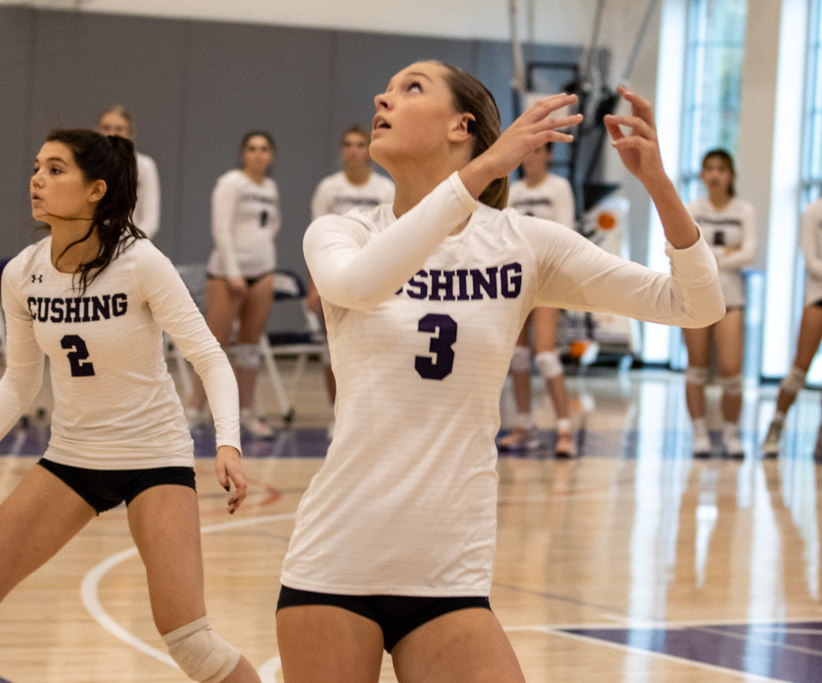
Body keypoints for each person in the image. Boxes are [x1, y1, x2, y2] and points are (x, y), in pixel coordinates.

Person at [275, 60, 724, 682]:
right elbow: (358, 285)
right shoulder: (341, 231)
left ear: (461, 126)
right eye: (388, 87)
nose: (382, 96)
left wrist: (660, 186)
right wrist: (481, 173)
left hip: (449, 575)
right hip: (335, 564)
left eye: (410, 88)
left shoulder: (525, 243)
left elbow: (695, 305)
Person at [0, 130, 259, 683]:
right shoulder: (22, 273)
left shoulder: (140, 262)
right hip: (72, 458)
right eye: (36, 167)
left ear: (95, 190)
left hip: (154, 458)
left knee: (192, 644)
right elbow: (20, 381)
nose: (37, 180)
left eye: (55, 169)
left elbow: (210, 358)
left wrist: (228, 443)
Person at [186, 131, 280, 439]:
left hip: (263, 271)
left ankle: (246, 412)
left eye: (263, 149)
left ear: (271, 156)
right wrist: (234, 272)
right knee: (216, 343)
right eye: (251, 148)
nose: (258, 154)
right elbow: (221, 228)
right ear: (243, 154)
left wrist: (262, 257)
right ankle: (195, 410)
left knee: (251, 346)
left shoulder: (270, 187)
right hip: (227, 275)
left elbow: (272, 224)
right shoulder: (230, 183)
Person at [308, 124, 395, 437]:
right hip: (337, 274)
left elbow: (396, 235)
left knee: (378, 346)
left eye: (360, 144)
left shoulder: (385, 188)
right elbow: (316, 239)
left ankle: (373, 415)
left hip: (377, 276)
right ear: (342, 150)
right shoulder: (328, 188)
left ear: (369, 150)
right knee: (333, 348)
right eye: (348, 144)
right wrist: (314, 285)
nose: (354, 150)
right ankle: (339, 414)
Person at [499, 142, 579, 457]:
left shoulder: (558, 187)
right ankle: (524, 425)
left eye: (537, 151)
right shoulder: (514, 190)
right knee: (518, 355)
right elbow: (502, 232)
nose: (530, 157)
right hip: (517, 278)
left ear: (548, 155)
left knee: (545, 355)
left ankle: (565, 429)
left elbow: (565, 233)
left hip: (547, 278)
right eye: (527, 151)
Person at [683, 149, 756, 458]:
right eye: (709, 168)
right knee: (696, 367)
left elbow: (750, 253)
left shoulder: (744, 210)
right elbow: (681, 248)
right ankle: (700, 434)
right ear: (702, 174)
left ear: (731, 175)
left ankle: (730, 434)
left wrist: (708, 256)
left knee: (731, 370)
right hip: (696, 296)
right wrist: (728, 253)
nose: (715, 175)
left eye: (721, 169)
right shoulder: (692, 209)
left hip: (731, 299)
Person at [762, 196, 822, 457]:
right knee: (799, 369)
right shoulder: (814, 211)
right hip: (817, 296)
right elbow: (811, 261)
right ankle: (777, 422)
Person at [96, 105, 161, 239]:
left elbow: (150, 220)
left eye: (119, 129)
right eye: (106, 128)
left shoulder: (144, 166)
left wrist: (129, 242)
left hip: (131, 241)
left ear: (129, 134)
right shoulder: (87, 164)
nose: (111, 134)